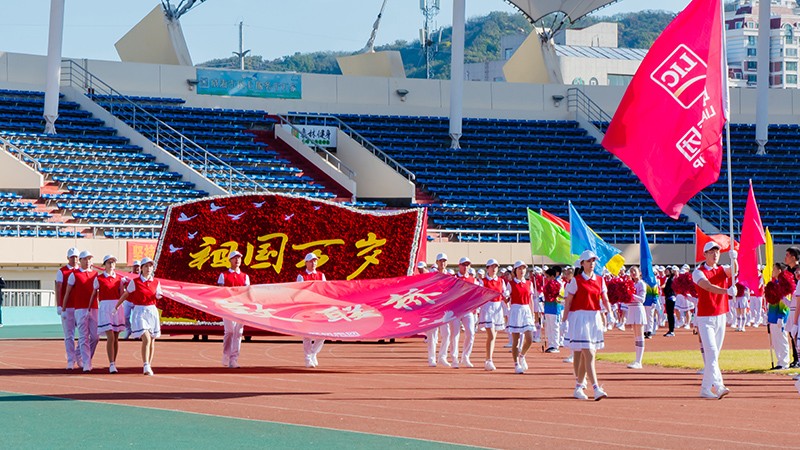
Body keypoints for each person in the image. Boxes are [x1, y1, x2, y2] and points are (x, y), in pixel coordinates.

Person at [563, 250, 612, 401]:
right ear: (582, 263)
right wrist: (564, 320)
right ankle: (596, 388)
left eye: (593, 261)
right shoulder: (575, 281)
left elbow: (604, 298)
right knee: (588, 353)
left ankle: (578, 387)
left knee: (588, 354)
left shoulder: (600, 280)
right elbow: (568, 301)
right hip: (580, 317)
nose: (592, 264)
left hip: (594, 317)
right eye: (589, 261)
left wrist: (609, 313)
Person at [692, 241, 737, 399]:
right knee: (711, 352)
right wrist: (727, 291)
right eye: (711, 252)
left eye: (717, 251)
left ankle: (705, 388)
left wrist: (734, 259)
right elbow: (708, 286)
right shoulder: (698, 272)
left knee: (714, 355)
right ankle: (718, 385)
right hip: (705, 317)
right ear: (705, 254)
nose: (715, 254)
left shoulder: (722, 269)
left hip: (720, 315)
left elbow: (734, 271)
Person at [115, 257, 162, 375]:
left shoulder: (156, 282)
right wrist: (116, 306)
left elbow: (158, 295)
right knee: (145, 337)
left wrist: (159, 296)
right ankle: (145, 364)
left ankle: (149, 364)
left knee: (152, 340)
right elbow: (126, 294)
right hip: (140, 311)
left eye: (150, 266)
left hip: (152, 311)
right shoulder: (135, 282)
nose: (148, 269)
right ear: (141, 268)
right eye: (146, 266)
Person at [63, 250, 99, 373]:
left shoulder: (96, 274)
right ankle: (87, 362)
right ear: (81, 261)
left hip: (94, 308)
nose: (88, 261)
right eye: (85, 259)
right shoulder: (74, 274)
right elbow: (67, 292)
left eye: (90, 259)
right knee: (84, 336)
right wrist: (63, 308)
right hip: (80, 309)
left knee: (95, 336)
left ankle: (81, 355)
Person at [93, 255, 125, 373]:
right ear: (104, 265)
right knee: (110, 336)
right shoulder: (99, 278)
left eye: (113, 262)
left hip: (116, 306)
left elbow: (122, 294)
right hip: (105, 307)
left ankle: (114, 362)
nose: (111, 264)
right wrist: (91, 308)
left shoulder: (120, 279)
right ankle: (111, 363)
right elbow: (94, 293)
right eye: (109, 262)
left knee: (116, 337)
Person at [218, 250, 250, 369]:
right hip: (227, 307)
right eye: (235, 258)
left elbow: (247, 293)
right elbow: (220, 292)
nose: (237, 260)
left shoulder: (245, 277)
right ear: (230, 260)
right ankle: (226, 354)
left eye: (239, 258)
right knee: (230, 331)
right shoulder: (224, 275)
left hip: (240, 308)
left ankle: (234, 359)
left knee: (238, 333)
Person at [448, 257, 479, 368]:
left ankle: (466, 356)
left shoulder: (473, 279)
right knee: (455, 334)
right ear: (459, 265)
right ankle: (454, 358)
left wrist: (475, 307)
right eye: (463, 265)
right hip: (456, 310)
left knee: (470, 333)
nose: (465, 267)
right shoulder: (454, 278)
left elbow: (476, 294)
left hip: (468, 310)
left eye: (467, 265)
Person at [298, 253, 327, 368]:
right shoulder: (301, 276)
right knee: (307, 335)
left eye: (315, 261)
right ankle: (307, 358)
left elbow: (325, 291)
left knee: (323, 333)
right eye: (311, 261)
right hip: (306, 309)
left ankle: (313, 353)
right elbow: (299, 292)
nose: (314, 263)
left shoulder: (321, 275)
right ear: (306, 263)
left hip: (319, 309)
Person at [478, 258, 508, 371]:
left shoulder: (501, 281)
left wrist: (507, 300)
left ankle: (488, 359)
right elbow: (480, 295)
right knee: (490, 335)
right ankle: (489, 359)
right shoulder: (483, 281)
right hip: (488, 307)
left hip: (497, 308)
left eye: (496, 266)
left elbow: (504, 294)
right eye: (492, 266)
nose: (494, 269)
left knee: (494, 337)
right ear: (487, 268)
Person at [507, 260, 536, 374]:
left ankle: (522, 355)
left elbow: (530, 300)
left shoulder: (529, 283)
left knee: (529, 339)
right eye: (519, 268)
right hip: (515, 310)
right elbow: (506, 298)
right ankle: (516, 364)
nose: (522, 270)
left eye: (523, 268)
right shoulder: (511, 284)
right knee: (516, 340)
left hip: (526, 310)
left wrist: (533, 313)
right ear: (515, 270)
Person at [55, 247, 80, 369]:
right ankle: (71, 360)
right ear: (68, 258)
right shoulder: (62, 271)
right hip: (68, 307)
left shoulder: (82, 270)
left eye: (76, 257)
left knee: (85, 335)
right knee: (69, 335)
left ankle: (79, 356)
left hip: (80, 307)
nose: (74, 259)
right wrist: (59, 306)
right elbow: (59, 288)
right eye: (72, 257)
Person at [768, 263, 791, 369]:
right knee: (776, 341)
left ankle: (785, 361)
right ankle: (779, 361)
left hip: (780, 317)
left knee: (782, 339)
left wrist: (781, 316)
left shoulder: (784, 284)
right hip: (773, 316)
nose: (772, 270)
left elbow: (785, 302)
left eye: (774, 269)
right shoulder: (774, 283)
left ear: (780, 271)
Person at [626, 267, 647, 369]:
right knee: (635, 335)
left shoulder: (642, 284)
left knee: (639, 335)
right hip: (631, 309)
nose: (633, 273)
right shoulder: (631, 284)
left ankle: (639, 361)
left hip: (638, 309)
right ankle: (637, 359)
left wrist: (631, 294)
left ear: (639, 273)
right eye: (631, 271)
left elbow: (642, 299)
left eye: (634, 271)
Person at [121, 260, 140, 340]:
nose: (137, 268)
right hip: (128, 300)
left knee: (137, 318)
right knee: (125, 316)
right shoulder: (127, 276)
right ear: (132, 267)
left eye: (138, 266)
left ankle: (137, 333)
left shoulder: (142, 277)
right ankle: (128, 330)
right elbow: (121, 284)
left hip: (137, 301)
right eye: (135, 266)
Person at [663, 266, 677, 337]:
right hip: (669, 298)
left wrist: (664, 289)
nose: (666, 272)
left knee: (670, 314)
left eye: (667, 271)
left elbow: (668, 289)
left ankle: (671, 330)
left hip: (670, 298)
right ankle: (670, 329)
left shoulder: (671, 280)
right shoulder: (669, 279)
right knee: (669, 314)